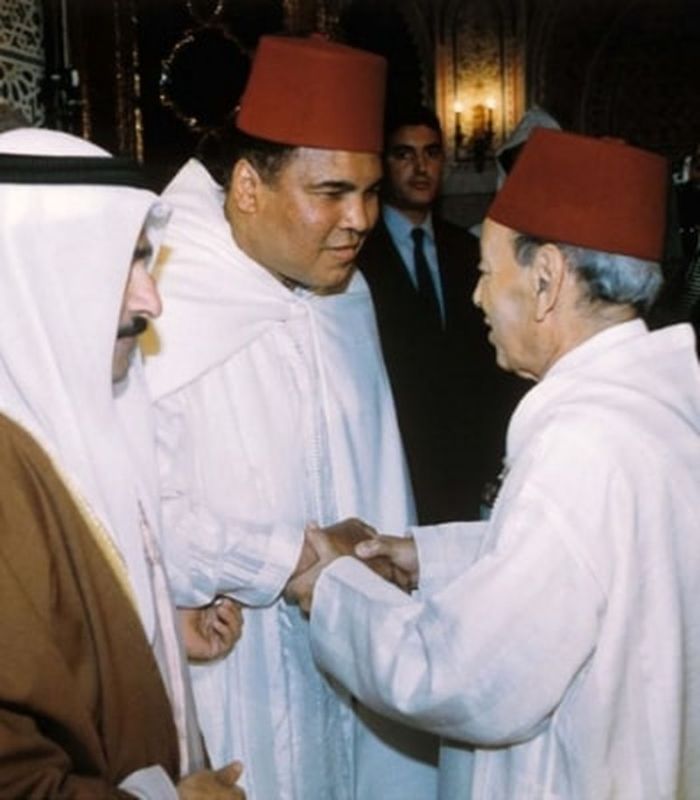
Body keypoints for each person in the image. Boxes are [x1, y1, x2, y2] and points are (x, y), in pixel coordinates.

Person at [288, 128, 700, 798]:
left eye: (486, 271)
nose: (477, 296)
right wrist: (426, 558)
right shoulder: (656, 409)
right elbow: (590, 566)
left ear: (546, 280)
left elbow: (466, 676)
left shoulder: (584, 445)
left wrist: (335, 590)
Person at [144, 34, 439, 800]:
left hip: (352, 676)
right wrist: (290, 555)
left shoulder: (348, 295)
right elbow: (128, 516)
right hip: (230, 671)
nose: (360, 218)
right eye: (331, 192)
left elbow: (376, 477)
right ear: (248, 186)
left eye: (369, 191)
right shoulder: (159, 294)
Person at [0, 127, 245, 798]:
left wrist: (153, 634)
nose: (150, 301)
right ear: (43, 277)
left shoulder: (79, 412)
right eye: (124, 267)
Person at [356, 104, 522, 522]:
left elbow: (489, 366)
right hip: (396, 463)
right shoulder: (356, 257)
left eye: (431, 153)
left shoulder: (469, 250)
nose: (420, 167)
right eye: (404, 154)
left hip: (469, 464)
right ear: (382, 164)